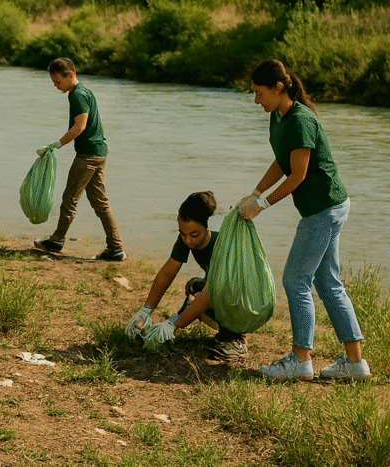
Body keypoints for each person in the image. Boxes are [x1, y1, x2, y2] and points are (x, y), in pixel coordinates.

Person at [237, 58, 368, 381]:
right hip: (326, 207)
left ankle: (300, 360)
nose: (256, 100)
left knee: (296, 280)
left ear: (279, 88)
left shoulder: (300, 120)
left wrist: (261, 205)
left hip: (324, 209)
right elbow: (282, 163)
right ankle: (355, 364)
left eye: (259, 93)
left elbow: (298, 176)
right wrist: (255, 192)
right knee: (327, 283)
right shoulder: (278, 117)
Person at [127, 192, 248, 362]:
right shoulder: (186, 238)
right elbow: (167, 272)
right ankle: (194, 321)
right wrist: (146, 309)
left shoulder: (222, 245)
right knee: (194, 286)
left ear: (206, 228)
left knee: (200, 295)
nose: (188, 240)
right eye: (182, 234)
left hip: (241, 303)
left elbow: (210, 294)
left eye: (194, 235)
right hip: (214, 291)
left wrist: (173, 324)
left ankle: (236, 339)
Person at [33, 57, 125, 261]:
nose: (56, 86)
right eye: (54, 83)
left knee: (69, 200)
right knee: (101, 203)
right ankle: (116, 248)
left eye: (58, 82)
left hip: (89, 156)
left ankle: (57, 240)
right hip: (99, 152)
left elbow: (80, 126)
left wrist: (56, 144)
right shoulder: (84, 91)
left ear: (70, 75)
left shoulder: (77, 96)